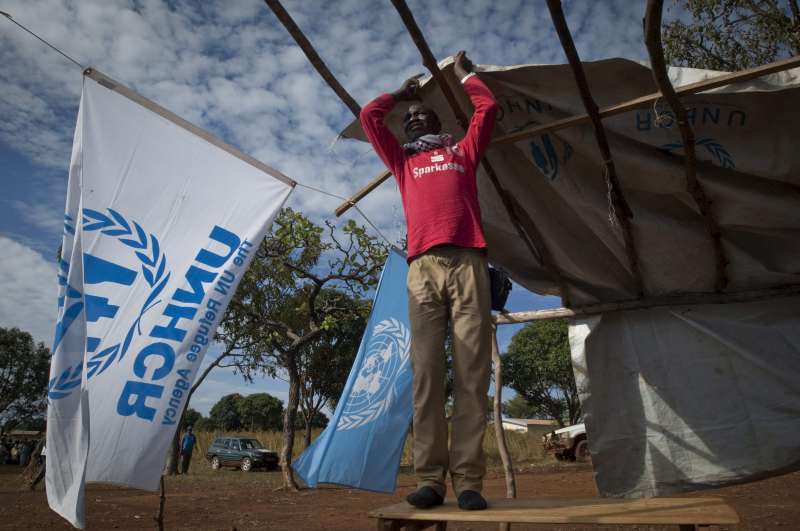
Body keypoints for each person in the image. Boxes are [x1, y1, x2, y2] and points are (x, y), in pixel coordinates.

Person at [360, 51, 498, 511]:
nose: (417, 117)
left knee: (472, 373)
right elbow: (369, 116)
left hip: (468, 264)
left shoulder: (461, 151)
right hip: (421, 269)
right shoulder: (402, 163)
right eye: (411, 116)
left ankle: (469, 481)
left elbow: (488, 110)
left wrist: (464, 75)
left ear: (439, 123)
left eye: (424, 112)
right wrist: (402, 94)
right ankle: (431, 481)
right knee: (426, 376)